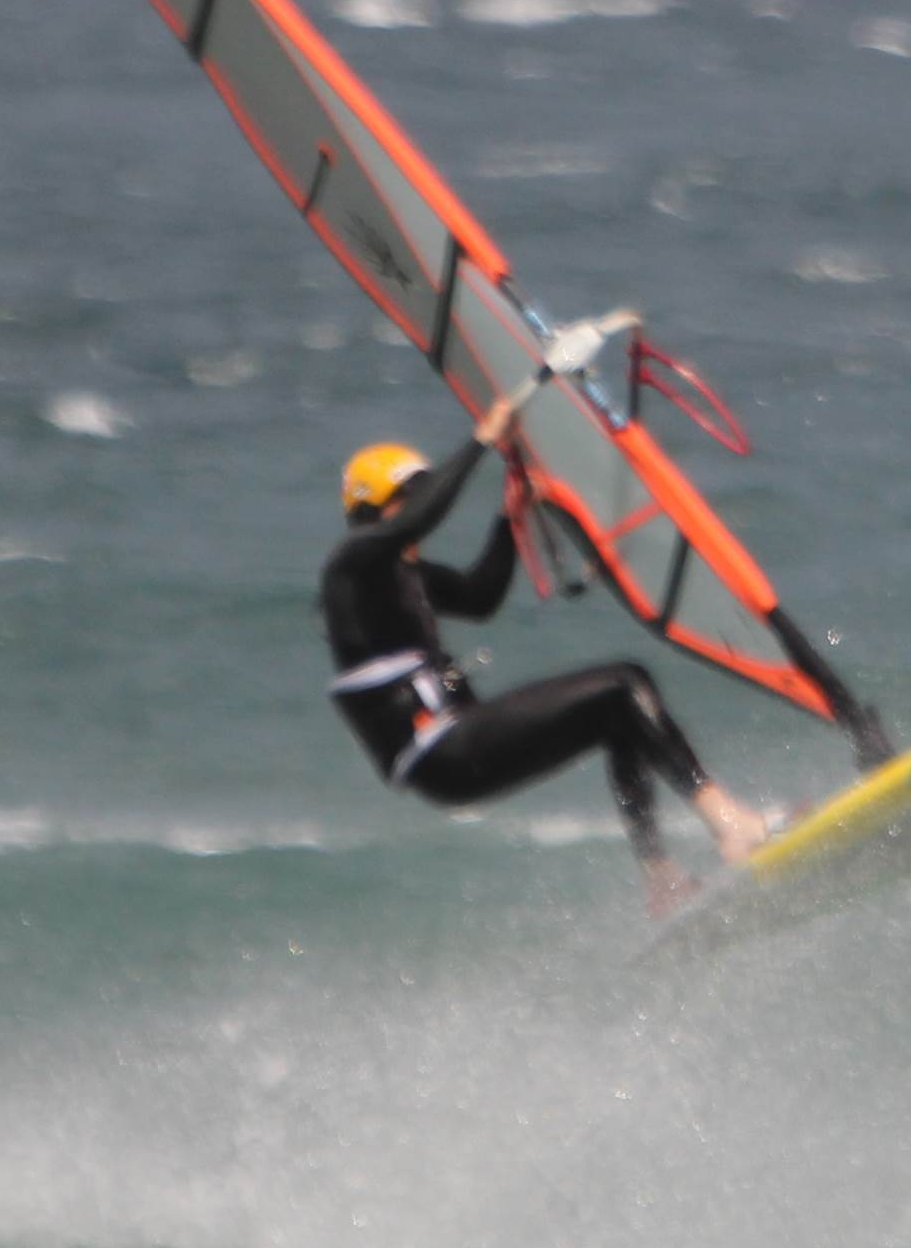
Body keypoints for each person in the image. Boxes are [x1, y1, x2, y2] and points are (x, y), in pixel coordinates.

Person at [323, 381, 771, 914]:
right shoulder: (351, 566)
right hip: (441, 751)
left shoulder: (405, 573)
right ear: (378, 509)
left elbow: (480, 597)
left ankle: (662, 876)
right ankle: (728, 823)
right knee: (624, 684)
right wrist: (481, 440)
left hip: (455, 746)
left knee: (617, 716)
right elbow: (421, 518)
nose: (421, 503)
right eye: (410, 494)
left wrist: (508, 518)